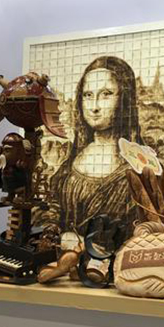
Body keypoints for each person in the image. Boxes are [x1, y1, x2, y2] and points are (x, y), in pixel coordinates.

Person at [44, 56, 142, 235]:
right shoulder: (72, 161)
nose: (94, 107)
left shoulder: (138, 168)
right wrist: (53, 231)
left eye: (106, 94)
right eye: (88, 95)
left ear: (124, 99)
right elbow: (54, 209)